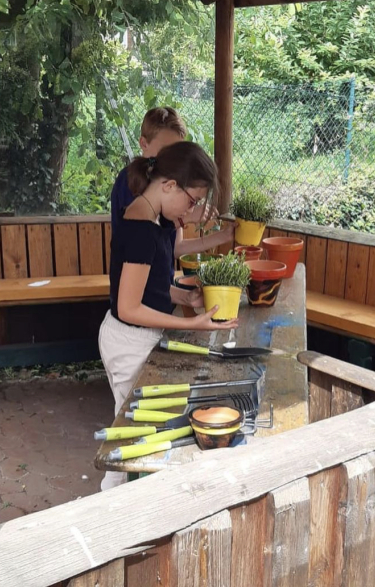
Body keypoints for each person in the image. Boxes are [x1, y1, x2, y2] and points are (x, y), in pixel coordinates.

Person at [99, 141, 239, 490]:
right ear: (168, 185)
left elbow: (151, 291)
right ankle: (110, 507)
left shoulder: (151, 218)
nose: (191, 211)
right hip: (129, 339)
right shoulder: (141, 228)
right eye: (191, 201)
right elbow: (129, 307)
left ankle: (113, 500)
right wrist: (191, 322)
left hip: (134, 334)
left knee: (131, 428)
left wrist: (183, 295)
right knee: (133, 433)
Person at [110, 106, 235, 260]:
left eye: (178, 151)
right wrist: (184, 219)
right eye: (167, 150)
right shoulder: (129, 181)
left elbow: (176, 248)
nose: (173, 158)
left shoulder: (175, 187)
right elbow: (141, 235)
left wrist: (223, 236)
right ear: (144, 143)